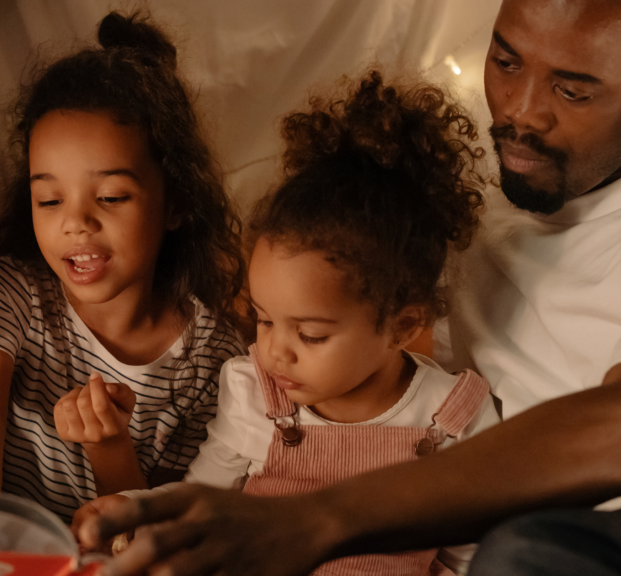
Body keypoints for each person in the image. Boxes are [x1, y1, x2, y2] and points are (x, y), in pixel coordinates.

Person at [76, 1, 621, 575]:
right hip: (475, 504)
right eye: (506, 60)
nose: (519, 112)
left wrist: (319, 518)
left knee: (530, 556)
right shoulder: (478, 171)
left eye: (572, 91)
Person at [75, 71, 500, 575]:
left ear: (403, 326)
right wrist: (136, 509)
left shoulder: (453, 420)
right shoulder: (257, 393)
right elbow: (202, 498)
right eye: (263, 319)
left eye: (311, 334)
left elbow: (470, 559)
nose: (275, 350)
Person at [0, 12, 246, 525]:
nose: (76, 223)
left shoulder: (212, 359)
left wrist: (109, 446)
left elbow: (156, 527)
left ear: (176, 203)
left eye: (110, 196)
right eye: (50, 199)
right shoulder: (14, 295)